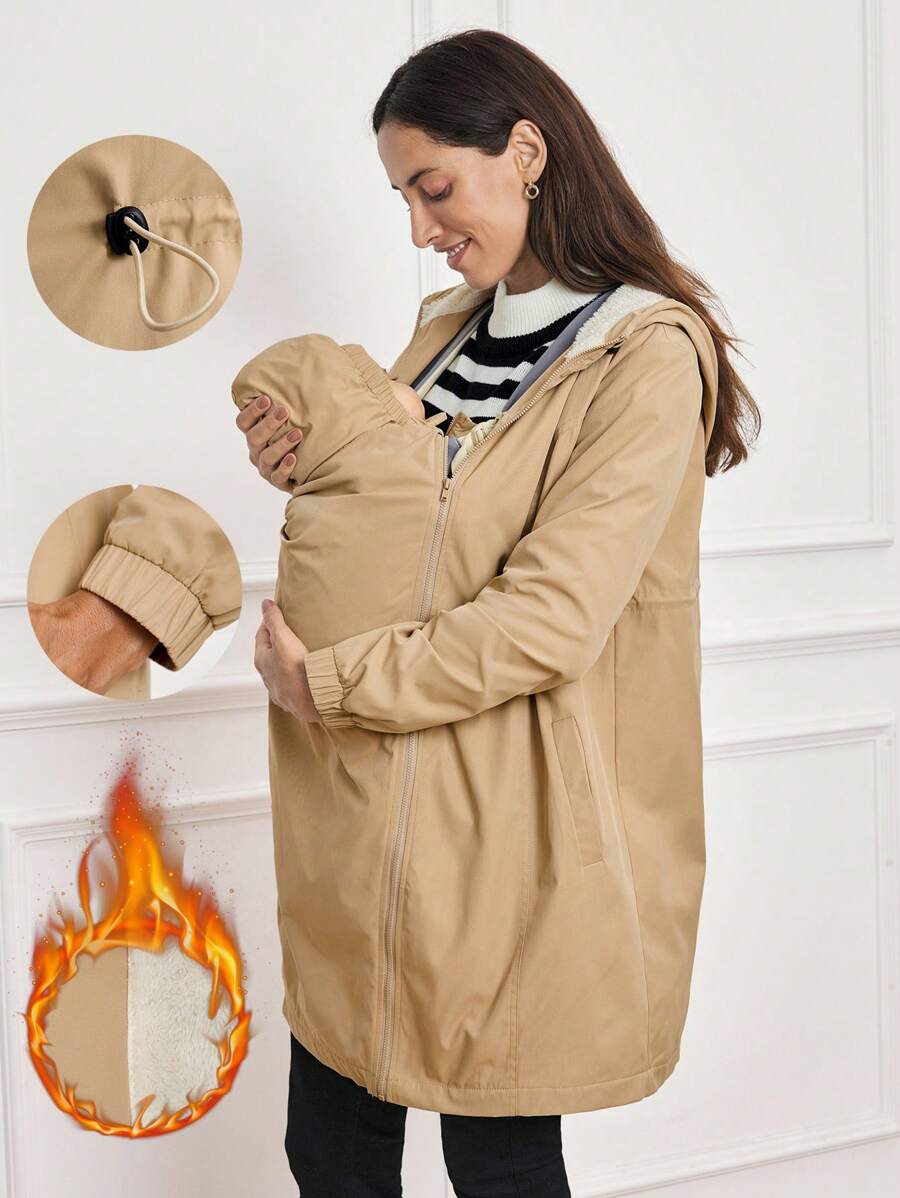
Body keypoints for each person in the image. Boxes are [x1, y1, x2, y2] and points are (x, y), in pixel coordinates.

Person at [234, 27, 759, 1198]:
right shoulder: (441, 331)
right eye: (403, 200)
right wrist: (309, 466)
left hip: (512, 838)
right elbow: (415, 531)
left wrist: (326, 684)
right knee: (330, 1150)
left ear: (525, 151)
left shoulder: (645, 355)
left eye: (434, 188)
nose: (420, 229)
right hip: (364, 818)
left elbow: (550, 618)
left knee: (500, 1162)